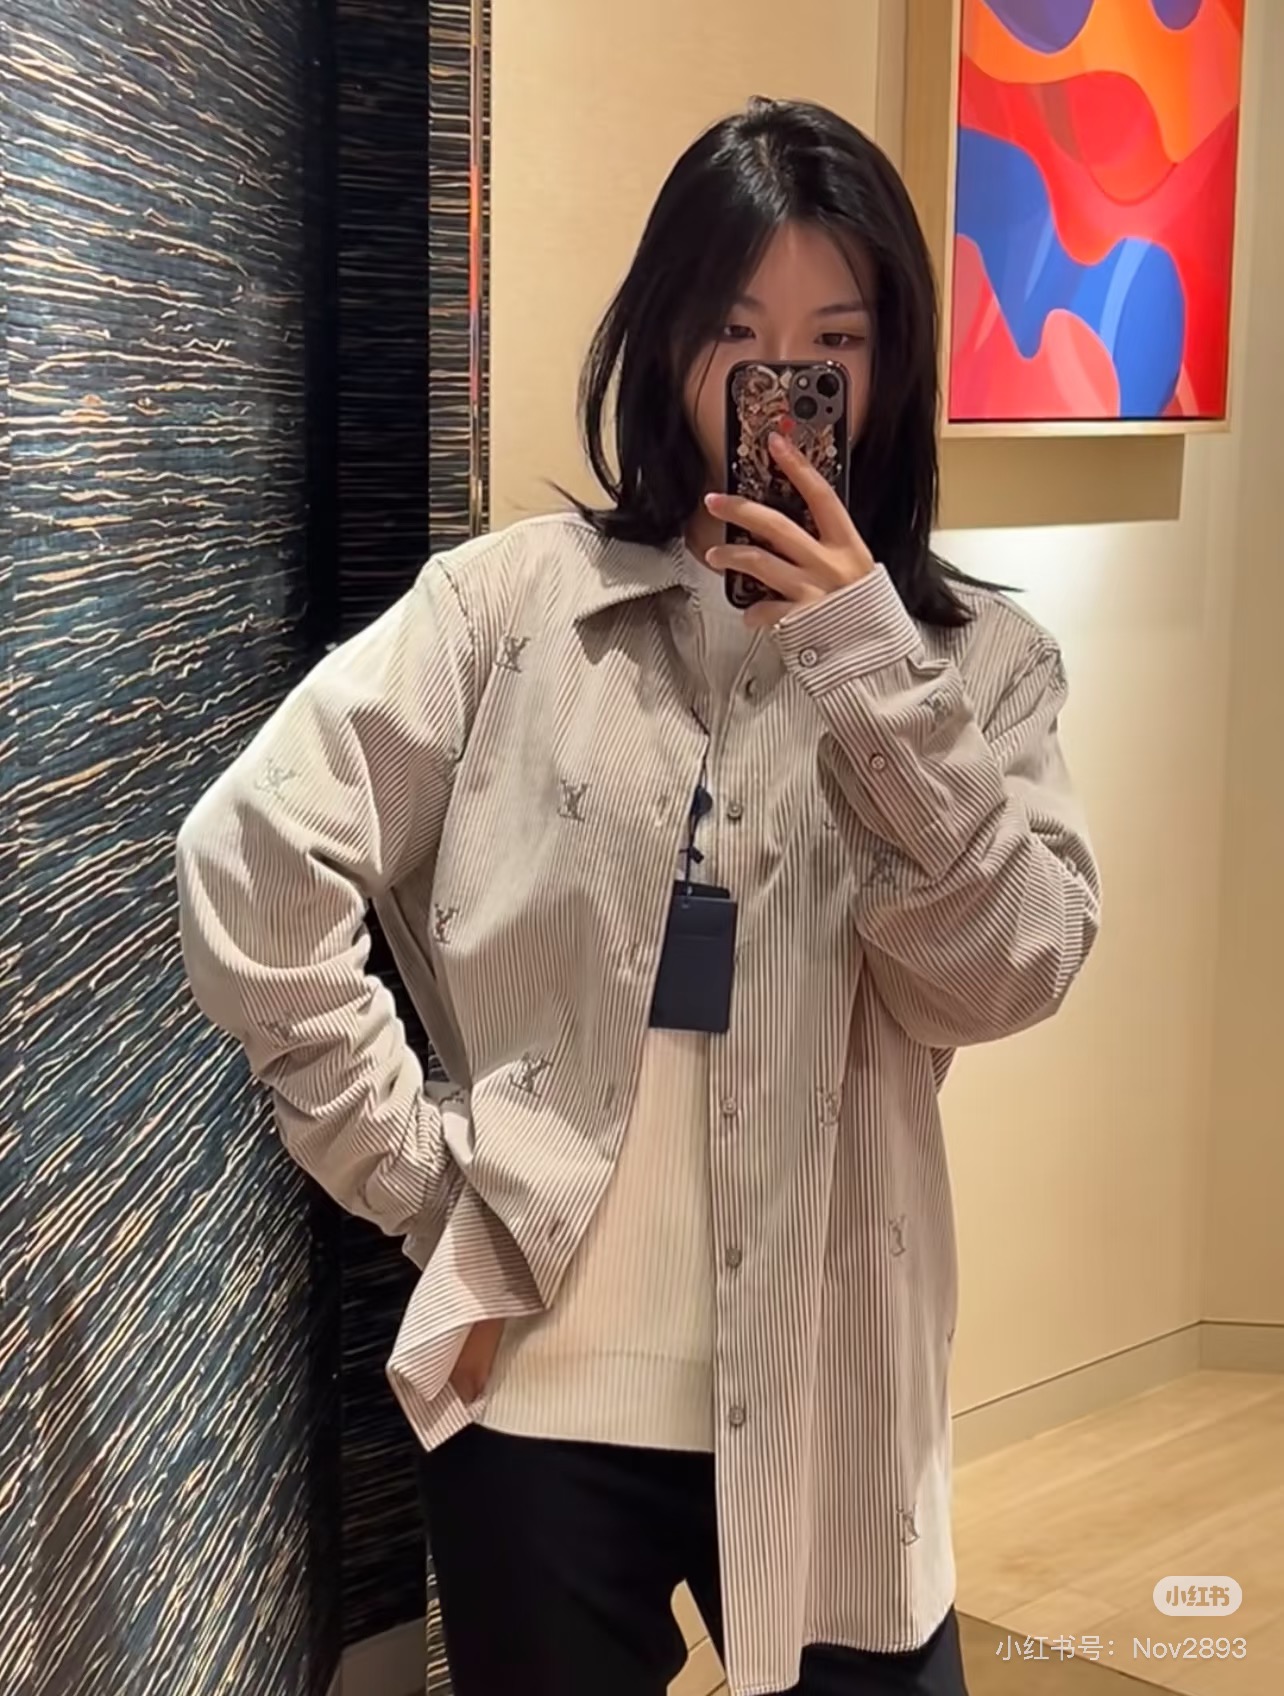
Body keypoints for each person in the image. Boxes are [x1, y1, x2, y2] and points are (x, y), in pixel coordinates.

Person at [176, 96, 1100, 1696]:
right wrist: (419, 1175)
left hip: (835, 1396)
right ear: (666, 340)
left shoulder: (978, 666)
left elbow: (1007, 972)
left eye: (834, 341)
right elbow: (250, 855)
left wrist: (869, 671)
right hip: (539, 1391)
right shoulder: (511, 610)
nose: (780, 383)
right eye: (736, 333)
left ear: (892, 366)